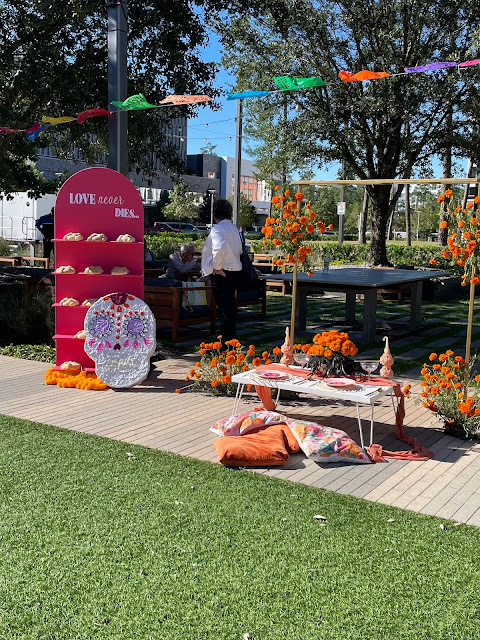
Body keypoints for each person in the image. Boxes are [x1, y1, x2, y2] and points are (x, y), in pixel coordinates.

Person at [201, 199, 243, 342]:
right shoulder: (234, 229)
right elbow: (239, 249)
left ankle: (225, 344)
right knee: (229, 309)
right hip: (234, 271)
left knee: (224, 310)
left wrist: (217, 267)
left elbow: (218, 247)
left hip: (222, 272)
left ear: (215, 214)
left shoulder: (217, 229)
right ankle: (231, 340)